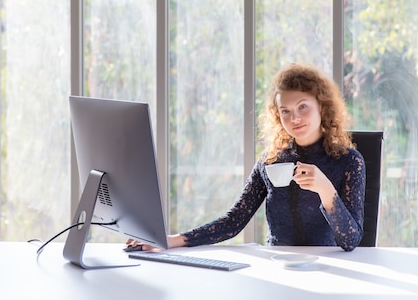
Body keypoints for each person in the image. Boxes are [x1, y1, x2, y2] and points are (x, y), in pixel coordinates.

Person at [127, 63, 366, 252]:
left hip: (329, 271)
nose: (295, 118)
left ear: (322, 106)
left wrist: (326, 191)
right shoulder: (271, 160)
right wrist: (169, 241)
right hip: (276, 267)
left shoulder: (349, 161)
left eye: (303, 107)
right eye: (286, 111)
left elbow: (351, 241)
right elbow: (234, 221)